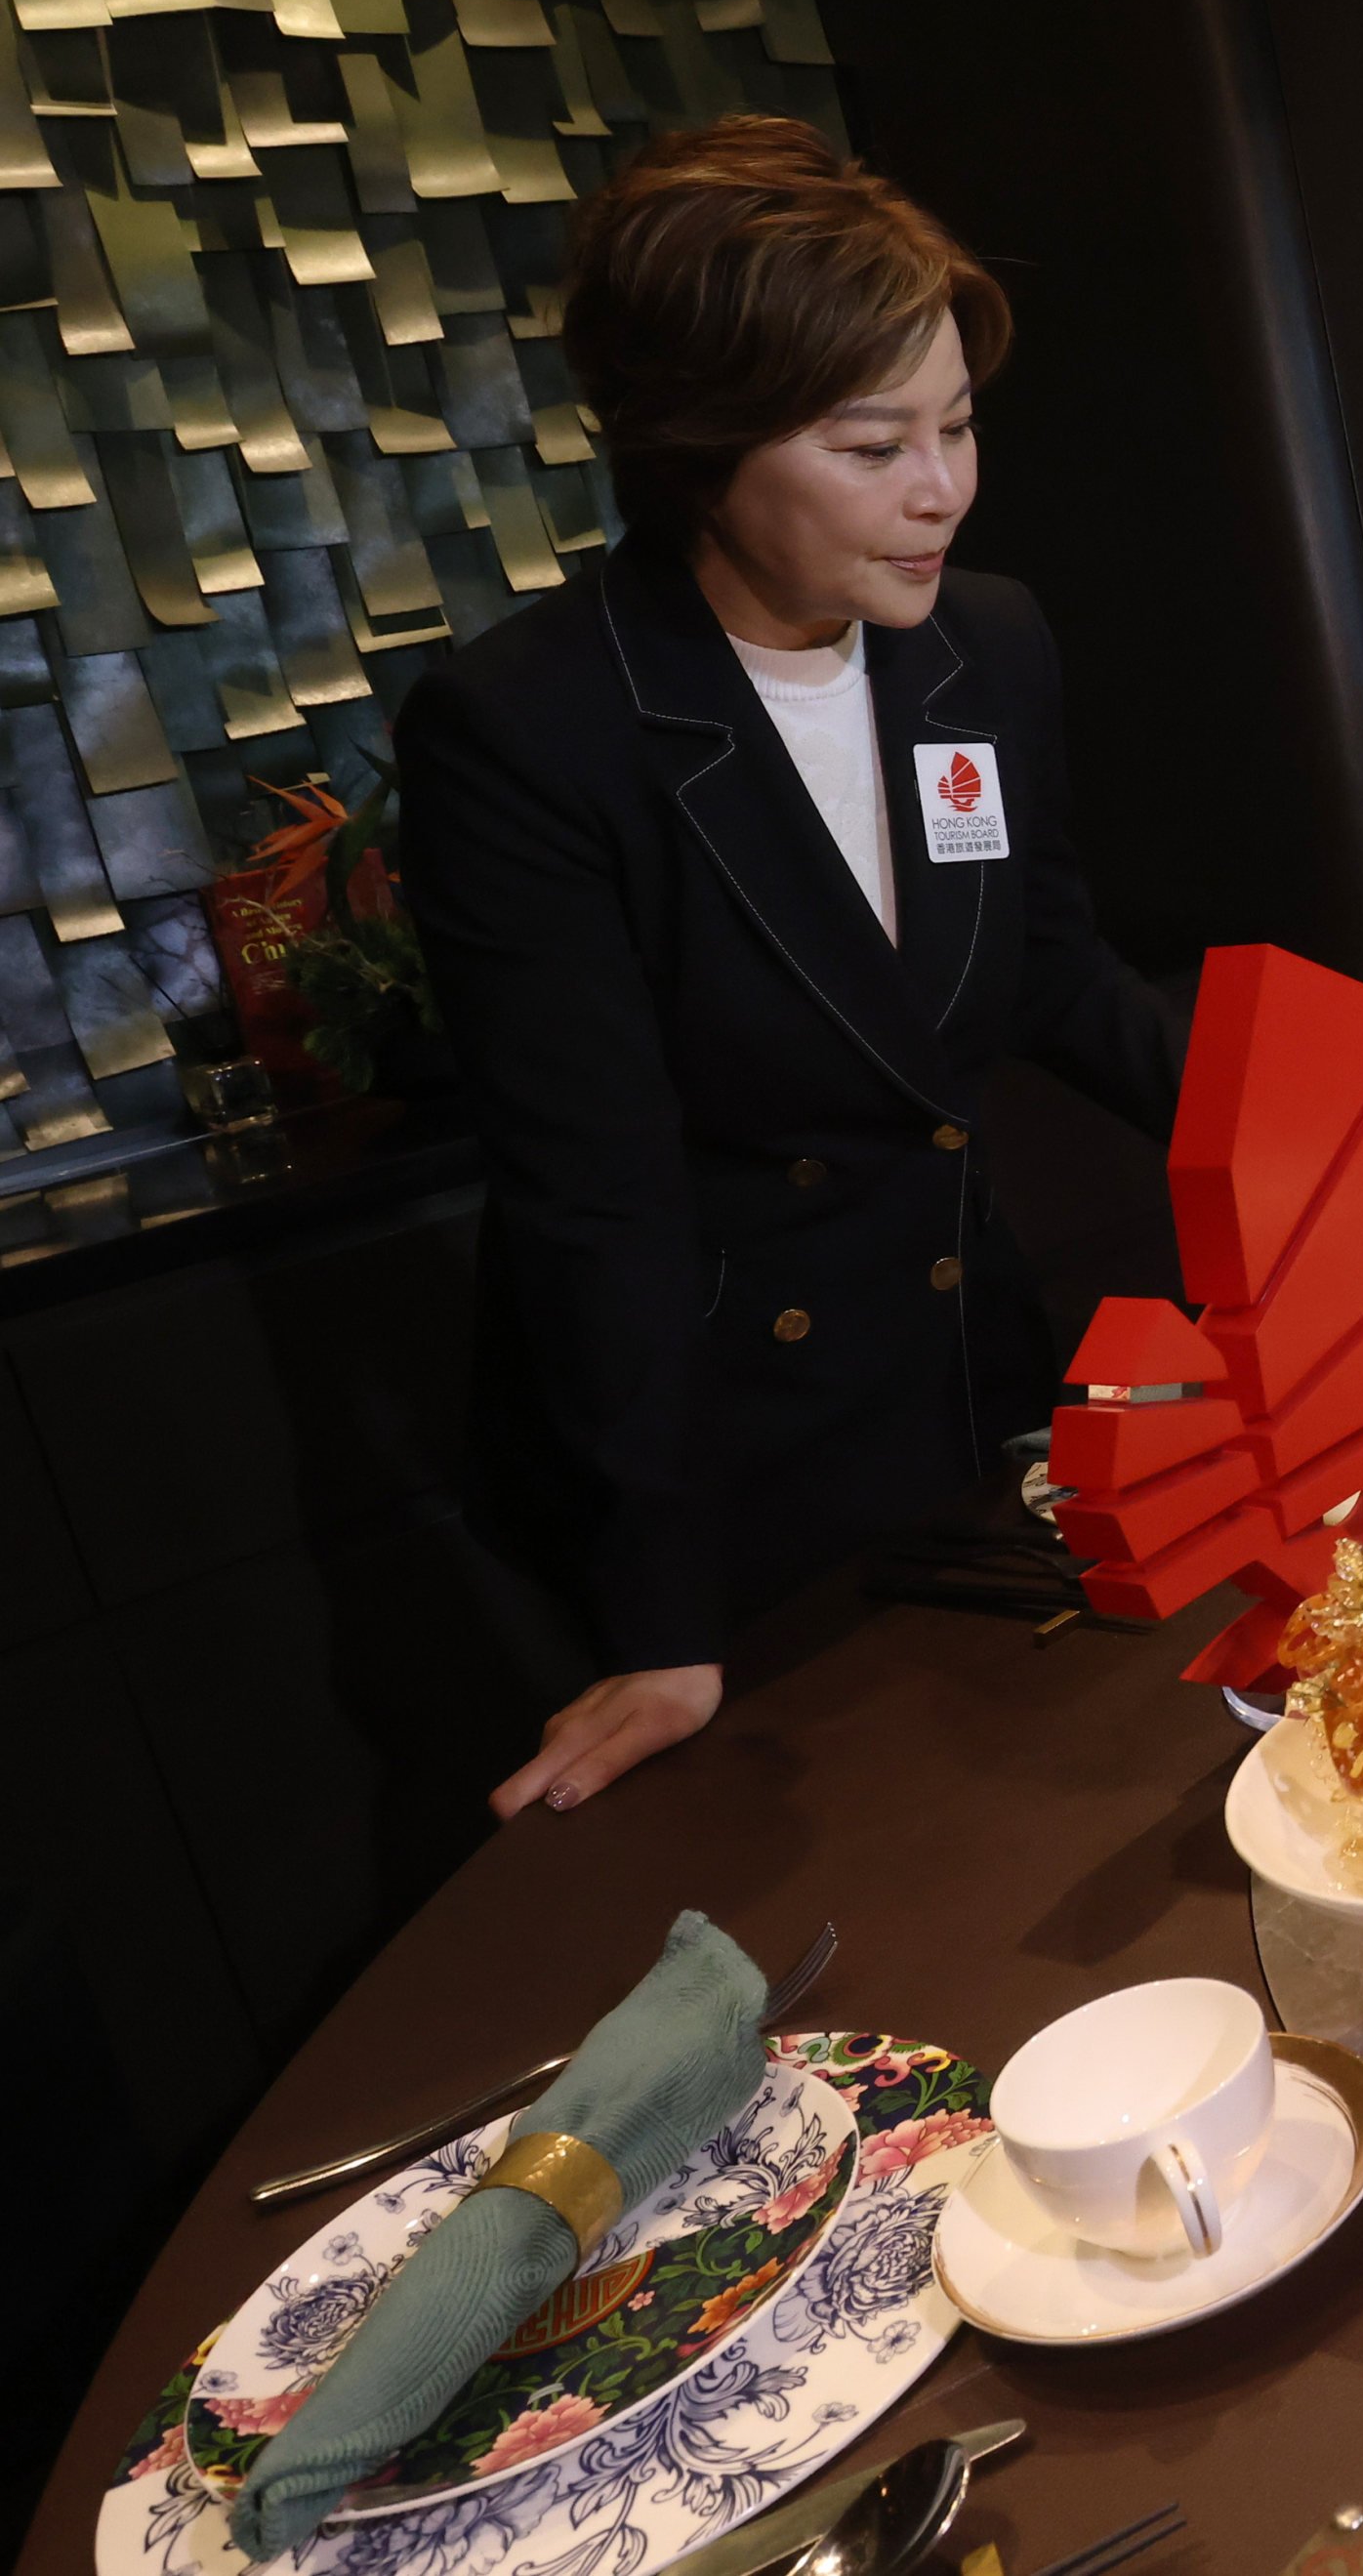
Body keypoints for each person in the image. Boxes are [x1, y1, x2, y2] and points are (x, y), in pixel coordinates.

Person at [402, 117, 1181, 1820]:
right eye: (872, 443)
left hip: (969, 1383)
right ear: (702, 451)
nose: (943, 489)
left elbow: (1048, 965)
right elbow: (591, 1198)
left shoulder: (988, 641)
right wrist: (661, 1611)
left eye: (959, 426)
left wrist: (1326, 1146)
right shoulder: (534, 734)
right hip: (730, 1462)